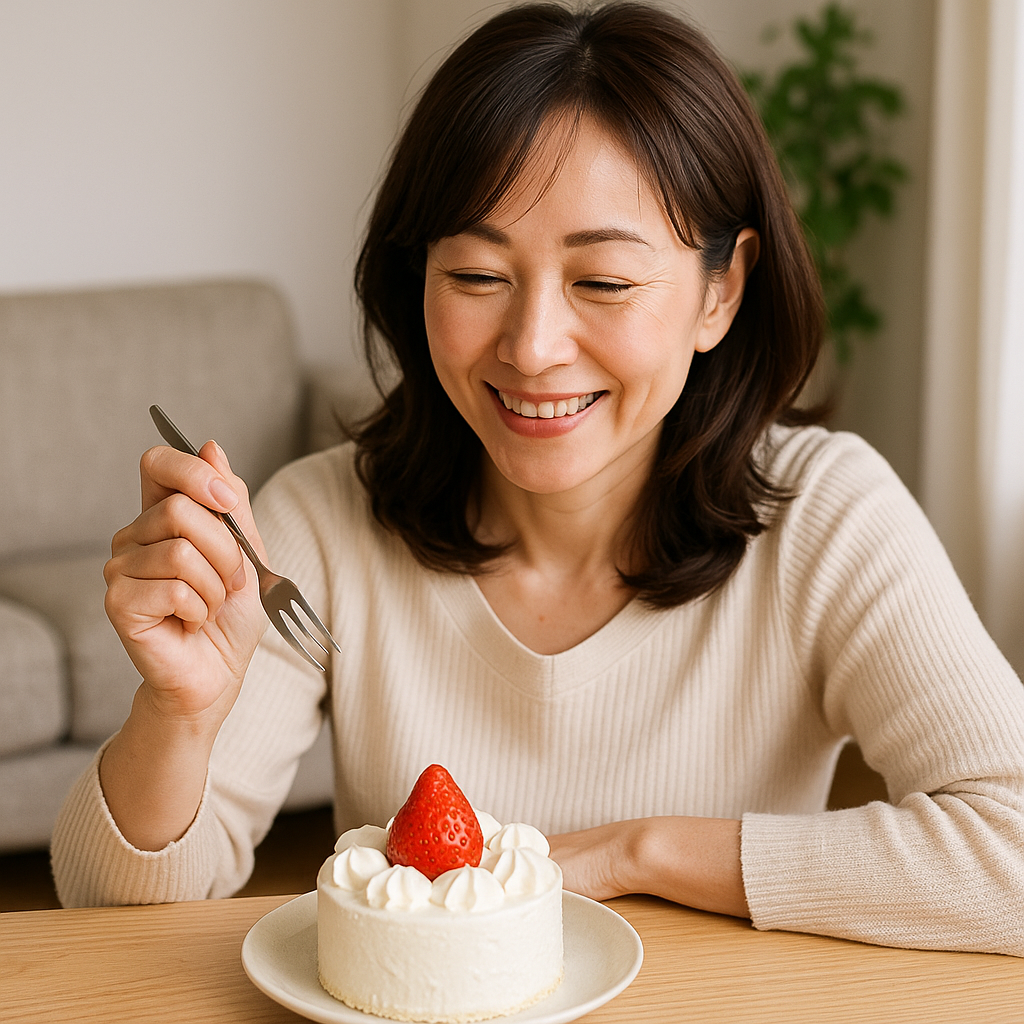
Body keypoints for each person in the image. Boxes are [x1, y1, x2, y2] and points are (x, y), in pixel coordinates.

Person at [52, 1, 1024, 957]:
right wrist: (177, 715)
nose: (532, 346)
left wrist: (643, 850)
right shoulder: (319, 522)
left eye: (602, 282)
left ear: (720, 291)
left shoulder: (826, 514)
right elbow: (110, 924)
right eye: (477, 276)